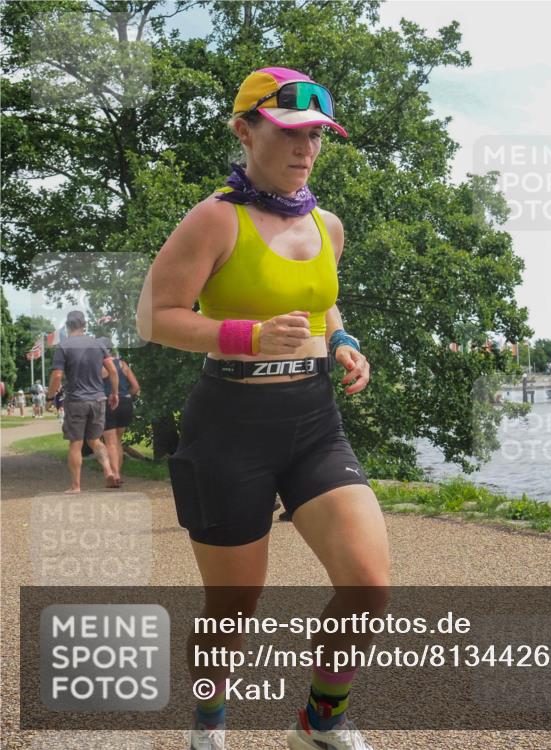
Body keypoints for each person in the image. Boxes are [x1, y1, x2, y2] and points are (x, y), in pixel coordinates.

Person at [135, 67, 383, 750]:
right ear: (246, 131)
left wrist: (342, 341)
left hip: (312, 421)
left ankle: (320, 720)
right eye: (291, 133)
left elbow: (321, 299)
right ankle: (210, 720)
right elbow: (154, 317)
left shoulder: (327, 225)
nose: (306, 150)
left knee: (368, 584)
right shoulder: (215, 218)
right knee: (231, 610)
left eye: (318, 138)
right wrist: (239, 335)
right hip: (229, 429)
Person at [47, 311, 121, 492]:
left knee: (76, 443)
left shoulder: (63, 346)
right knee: (95, 439)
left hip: (76, 400)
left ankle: (76, 486)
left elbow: (57, 375)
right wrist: (114, 393)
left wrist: (50, 397)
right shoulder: (97, 344)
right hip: (98, 399)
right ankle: (108, 471)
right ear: (84, 325)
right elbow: (112, 369)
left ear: (68, 326)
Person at [98, 337, 141, 483]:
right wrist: (125, 395)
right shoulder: (123, 364)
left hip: (108, 403)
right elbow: (136, 387)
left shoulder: (100, 367)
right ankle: (118, 474)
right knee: (117, 440)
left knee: (109, 441)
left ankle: (115, 475)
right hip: (125, 403)